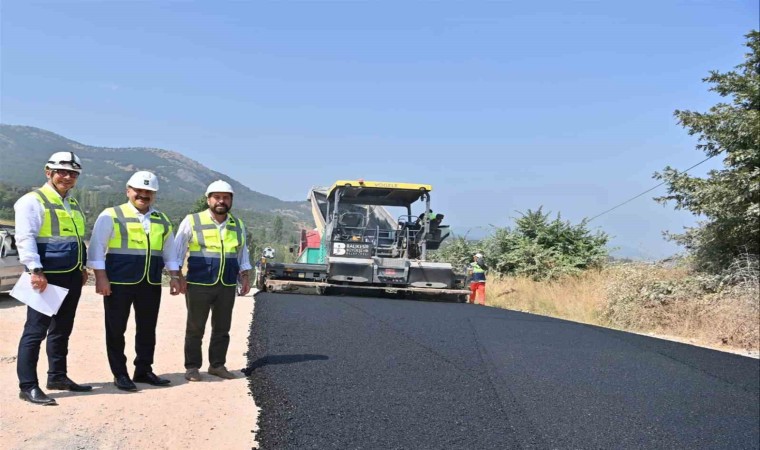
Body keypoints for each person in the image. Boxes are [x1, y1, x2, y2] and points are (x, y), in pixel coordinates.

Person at [87, 171, 182, 392]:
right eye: (138, 190)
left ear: (154, 194)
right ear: (128, 191)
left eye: (149, 191)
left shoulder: (162, 219)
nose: (143, 195)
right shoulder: (111, 215)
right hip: (119, 282)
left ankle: (144, 370)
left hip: (150, 282)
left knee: (148, 328)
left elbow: (169, 251)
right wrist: (101, 277)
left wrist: (175, 276)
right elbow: (97, 248)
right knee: (116, 329)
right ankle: (120, 373)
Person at [14, 151, 91, 405]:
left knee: (62, 330)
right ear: (49, 172)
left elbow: (75, 239)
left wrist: (82, 267)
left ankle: (57, 376)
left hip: (71, 275)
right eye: (62, 172)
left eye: (73, 173)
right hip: (46, 277)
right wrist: (35, 270)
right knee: (35, 332)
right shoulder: (32, 201)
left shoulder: (72, 203)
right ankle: (28, 386)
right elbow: (25, 238)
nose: (67, 177)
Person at [174, 180, 251, 382]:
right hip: (199, 283)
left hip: (226, 284)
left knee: (222, 328)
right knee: (195, 327)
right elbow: (177, 250)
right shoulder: (192, 221)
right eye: (217, 197)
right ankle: (192, 367)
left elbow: (242, 253)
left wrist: (245, 276)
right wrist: (177, 276)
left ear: (231, 201)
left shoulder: (237, 225)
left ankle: (217, 365)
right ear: (208, 200)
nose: (221, 201)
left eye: (226, 197)